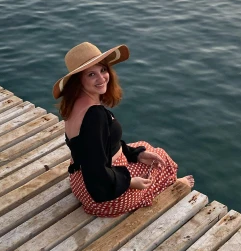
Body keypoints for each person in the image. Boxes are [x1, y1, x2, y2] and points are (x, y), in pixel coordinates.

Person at [53, 41, 194, 217]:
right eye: (91, 74)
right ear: (78, 81)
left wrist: (135, 153)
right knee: (161, 160)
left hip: (79, 181)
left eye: (103, 70)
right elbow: (96, 173)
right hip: (102, 197)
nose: (101, 78)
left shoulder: (74, 104)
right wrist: (130, 182)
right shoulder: (94, 116)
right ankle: (171, 186)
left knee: (144, 148)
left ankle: (142, 163)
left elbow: (94, 148)